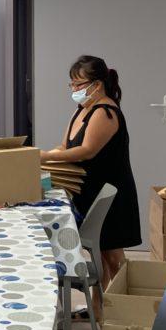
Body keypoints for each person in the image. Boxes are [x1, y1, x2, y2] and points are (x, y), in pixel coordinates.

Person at [40, 55, 141, 287]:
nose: (74, 89)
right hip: (89, 191)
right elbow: (65, 147)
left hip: (110, 193)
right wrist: (45, 156)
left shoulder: (105, 112)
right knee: (101, 259)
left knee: (113, 259)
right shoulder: (81, 110)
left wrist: (44, 157)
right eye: (71, 84)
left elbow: (87, 151)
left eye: (79, 84)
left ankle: (128, 307)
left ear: (97, 84)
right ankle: (99, 309)